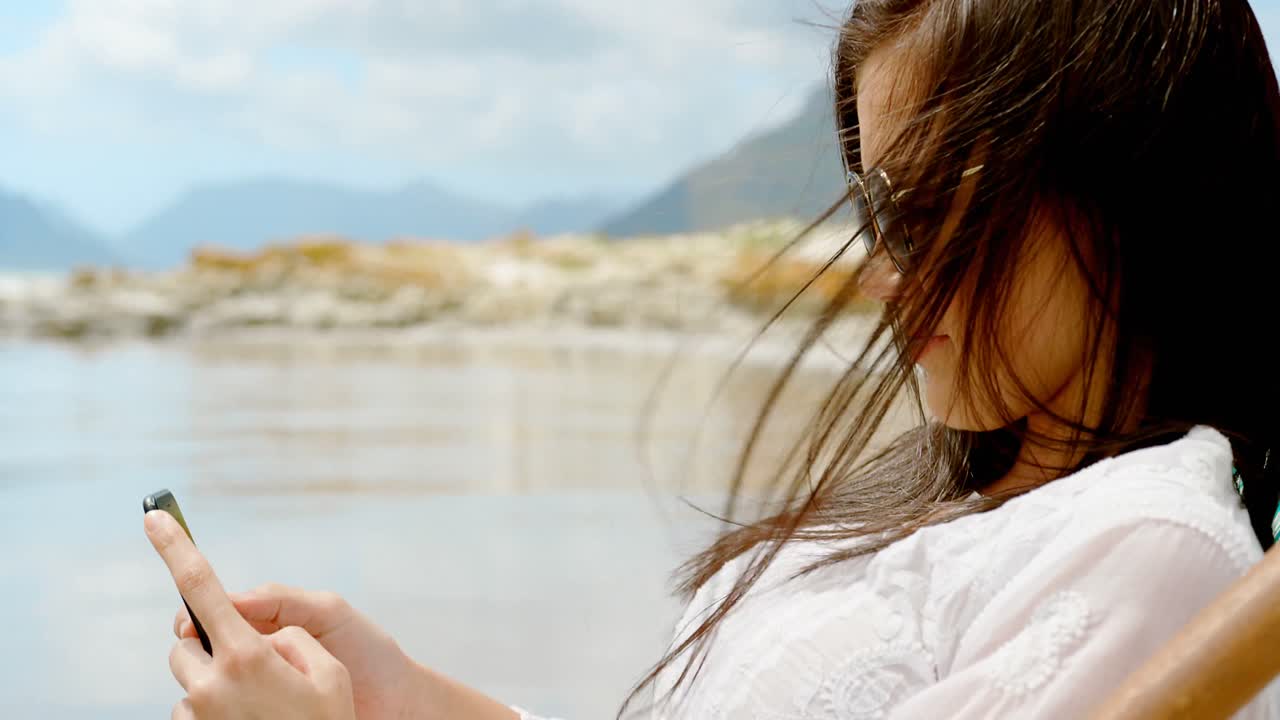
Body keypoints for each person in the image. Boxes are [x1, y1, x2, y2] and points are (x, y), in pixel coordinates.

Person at [143, 0, 1280, 717]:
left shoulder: (1146, 545)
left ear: (1132, 192)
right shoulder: (970, 495)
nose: (887, 274)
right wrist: (405, 702)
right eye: (883, 217)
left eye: (937, 209)